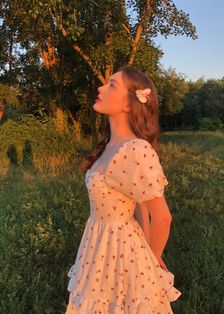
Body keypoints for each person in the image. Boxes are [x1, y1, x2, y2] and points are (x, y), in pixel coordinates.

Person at [65, 65, 182, 313]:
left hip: (122, 251)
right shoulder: (110, 144)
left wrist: (152, 259)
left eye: (112, 85)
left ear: (129, 104)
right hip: (98, 245)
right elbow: (138, 202)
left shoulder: (135, 149)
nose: (101, 88)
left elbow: (162, 217)